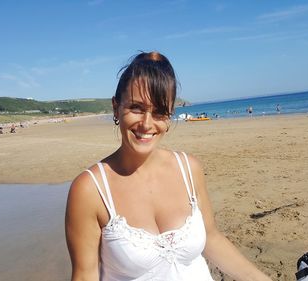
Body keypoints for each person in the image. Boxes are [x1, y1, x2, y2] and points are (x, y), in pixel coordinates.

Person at [65, 51, 272, 281]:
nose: (147, 123)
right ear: (116, 107)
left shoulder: (189, 169)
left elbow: (212, 239)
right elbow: (85, 275)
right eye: (136, 107)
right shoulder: (90, 190)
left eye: (160, 112)